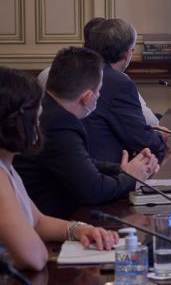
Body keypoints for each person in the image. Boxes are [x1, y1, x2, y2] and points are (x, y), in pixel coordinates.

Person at [14, 47, 159, 219]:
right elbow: (93, 190)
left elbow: (81, 162)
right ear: (87, 97)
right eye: (99, 90)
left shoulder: (46, 107)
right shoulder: (59, 124)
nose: (99, 95)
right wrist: (132, 177)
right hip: (51, 222)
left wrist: (120, 169)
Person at [0, 66, 118, 271]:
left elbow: (37, 221)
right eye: (36, 119)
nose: (39, 127)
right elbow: (33, 257)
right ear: (15, 122)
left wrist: (79, 229)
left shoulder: (7, 166)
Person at [37, 17, 160, 126]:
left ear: (84, 45)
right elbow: (150, 122)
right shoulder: (118, 82)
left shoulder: (46, 73)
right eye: (132, 50)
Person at [82, 18, 168, 163]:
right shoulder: (119, 83)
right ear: (127, 53)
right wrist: (160, 136)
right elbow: (144, 142)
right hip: (107, 169)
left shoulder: (79, 71)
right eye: (132, 50)